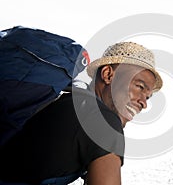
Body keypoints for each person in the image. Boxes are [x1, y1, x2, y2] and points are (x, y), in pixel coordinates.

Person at [0, 42, 163, 185]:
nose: (144, 102)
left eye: (147, 96)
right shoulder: (104, 120)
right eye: (140, 87)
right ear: (108, 75)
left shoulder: (66, 103)